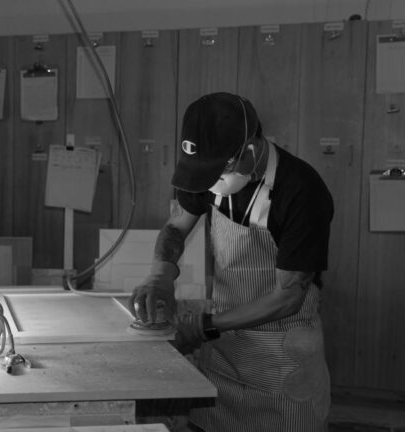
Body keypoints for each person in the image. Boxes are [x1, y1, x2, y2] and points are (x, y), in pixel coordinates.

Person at [130, 92, 333, 431]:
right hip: (226, 347)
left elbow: (289, 296)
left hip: (283, 353)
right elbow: (176, 228)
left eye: (215, 171)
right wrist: (159, 277)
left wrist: (204, 327)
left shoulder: (301, 190)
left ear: (250, 151)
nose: (208, 182)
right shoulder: (206, 169)